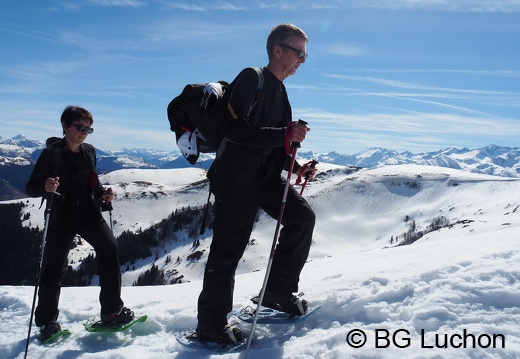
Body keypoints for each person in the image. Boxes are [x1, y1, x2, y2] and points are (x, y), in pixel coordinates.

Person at [196, 23, 317, 344]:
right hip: (235, 180)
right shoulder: (252, 78)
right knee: (228, 252)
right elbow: (234, 130)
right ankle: (209, 325)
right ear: (278, 50)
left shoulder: (280, 89)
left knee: (302, 218)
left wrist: (297, 166)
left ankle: (278, 291)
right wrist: (284, 135)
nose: (302, 60)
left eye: (305, 55)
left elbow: (274, 142)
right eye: (299, 53)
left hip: (264, 177)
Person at [26, 105, 134, 340]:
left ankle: (111, 312)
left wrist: (103, 193)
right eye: (80, 126)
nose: (84, 132)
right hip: (62, 215)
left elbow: (92, 183)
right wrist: (45, 187)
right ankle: (47, 321)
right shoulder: (52, 152)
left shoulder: (89, 151)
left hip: (88, 213)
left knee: (110, 249)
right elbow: (31, 187)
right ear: (65, 126)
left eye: (88, 128)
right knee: (54, 268)